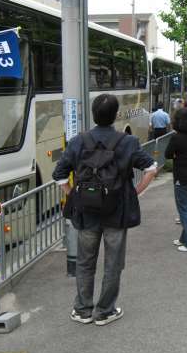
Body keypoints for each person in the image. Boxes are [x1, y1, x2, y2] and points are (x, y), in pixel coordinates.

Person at [53, 94, 157, 326]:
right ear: (115, 115)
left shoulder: (78, 141)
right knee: (113, 264)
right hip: (117, 212)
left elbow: (59, 175)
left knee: (84, 262)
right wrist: (136, 191)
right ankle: (105, 311)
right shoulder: (128, 142)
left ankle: (82, 310)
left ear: (93, 114)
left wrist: (74, 196)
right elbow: (151, 168)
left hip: (87, 213)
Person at [165, 107, 187, 252]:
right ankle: (184, 238)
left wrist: (176, 155)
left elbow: (168, 154)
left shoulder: (176, 137)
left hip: (181, 176)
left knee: (184, 210)